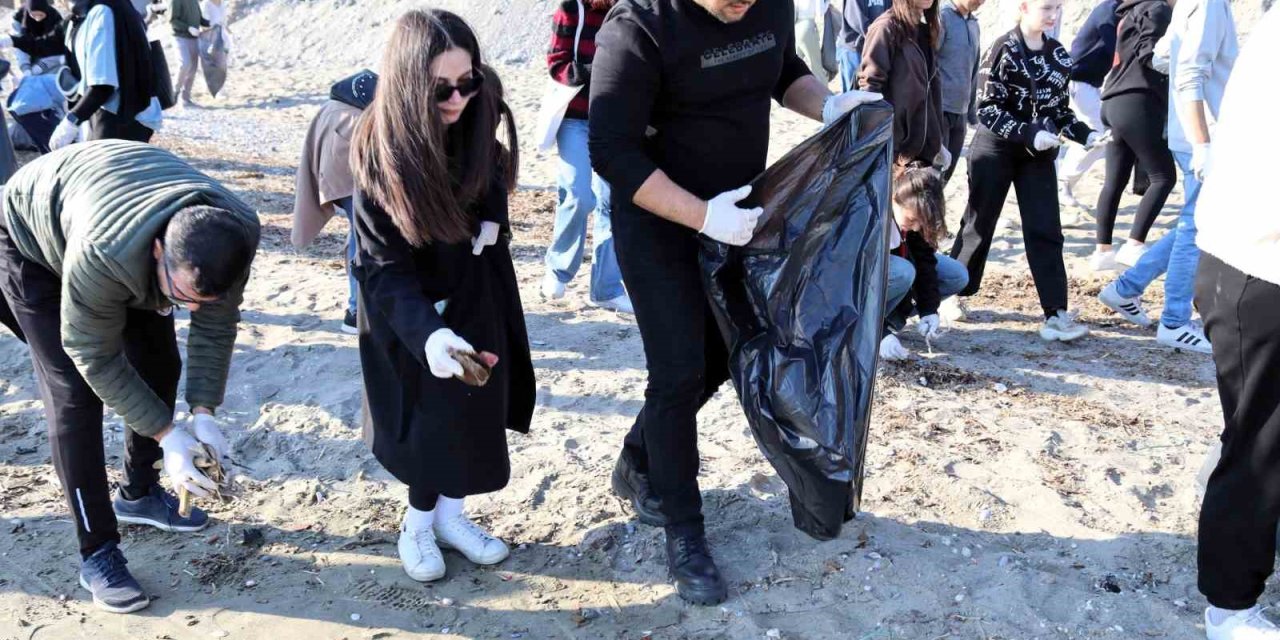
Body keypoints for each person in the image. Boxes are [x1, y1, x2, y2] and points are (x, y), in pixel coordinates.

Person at [590, 0, 881, 606]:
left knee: (727, 353)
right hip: (659, 223)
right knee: (676, 372)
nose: (743, 4)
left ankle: (640, 458)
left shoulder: (767, 3)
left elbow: (779, 68)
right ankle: (684, 530)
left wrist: (825, 103)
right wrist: (701, 216)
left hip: (744, 213)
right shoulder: (638, 28)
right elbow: (612, 152)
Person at [0, 140, 260, 614]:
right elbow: (92, 354)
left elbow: (216, 323)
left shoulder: (236, 230)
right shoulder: (107, 254)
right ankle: (97, 551)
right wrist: (167, 434)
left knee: (160, 362)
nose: (191, 309)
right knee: (75, 396)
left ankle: (139, 493)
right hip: (31, 240)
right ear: (159, 251)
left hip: (113, 209)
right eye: (182, 295)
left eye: (202, 299)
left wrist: (202, 414)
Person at [348, 10, 535, 584]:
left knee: (477, 407)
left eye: (468, 80)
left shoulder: (477, 99)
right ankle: (417, 525)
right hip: (413, 310)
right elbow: (380, 268)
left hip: (477, 281)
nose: (458, 98)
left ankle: (453, 518)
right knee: (431, 419)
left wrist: (492, 222)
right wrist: (429, 334)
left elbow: (493, 167)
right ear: (408, 86)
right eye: (441, 89)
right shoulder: (381, 155)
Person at [1192, 6, 1280, 638]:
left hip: (1244, 255)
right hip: (1258, 262)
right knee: (1257, 447)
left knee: (1254, 439)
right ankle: (1229, 608)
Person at [946, 0, 1101, 342]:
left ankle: (1056, 313)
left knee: (1046, 228)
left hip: (1039, 152)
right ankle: (951, 291)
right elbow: (986, 109)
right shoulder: (1002, 48)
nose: (1053, 15)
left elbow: (1061, 111)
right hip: (995, 148)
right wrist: (1031, 132)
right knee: (978, 224)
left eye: (1057, 8)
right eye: (1046, 7)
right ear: (1023, 7)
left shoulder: (1059, 55)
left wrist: (1085, 134)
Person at [1096, 0, 1237, 354]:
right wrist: (1203, 143)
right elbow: (1189, 72)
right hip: (1203, 133)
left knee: (1196, 221)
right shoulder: (1209, 3)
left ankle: (1127, 287)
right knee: (1197, 226)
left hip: (1190, 130)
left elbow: (1162, 57)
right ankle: (1174, 321)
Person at [540, 0, 631, 313]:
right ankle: (558, 269)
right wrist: (599, 72)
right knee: (579, 194)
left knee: (614, 201)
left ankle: (606, 289)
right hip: (574, 119)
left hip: (616, 119)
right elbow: (556, 63)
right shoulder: (572, 8)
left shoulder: (631, 9)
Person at [1090, 0, 1175, 270]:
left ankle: (1102, 251)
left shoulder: (1130, 10)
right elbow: (1148, 52)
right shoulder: (1158, 9)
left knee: (1113, 180)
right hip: (1137, 100)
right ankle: (1134, 245)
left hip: (1112, 99)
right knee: (1163, 178)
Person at [292, 69, 377, 334]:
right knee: (365, 234)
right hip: (349, 153)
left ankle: (357, 308)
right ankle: (356, 310)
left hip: (340, 144)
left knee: (360, 232)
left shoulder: (348, 98)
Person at [43, 0, 164, 148]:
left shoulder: (103, 12)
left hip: (121, 117)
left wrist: (71, 121)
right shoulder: (91, 11)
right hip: (109, 111)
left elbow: (103, 86)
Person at [880, 164, 969, 360]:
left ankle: (890, 318)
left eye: (921, 222)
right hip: (858, 286)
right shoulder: (873, 216)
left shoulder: (916, 216)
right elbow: (850, 282)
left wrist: (929, 310)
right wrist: (879, 335)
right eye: (912, 220)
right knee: (904, 272)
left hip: (899, 266)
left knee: (957, 275)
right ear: (895, 199)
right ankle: (872, 327)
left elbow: (924, 261)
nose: (916, 227)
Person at [859, 0, 947, 170]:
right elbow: (870, 89)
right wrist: (881, 147)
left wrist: (937, 139)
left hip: (924, 150)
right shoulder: (886, 28)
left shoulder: (925, 30)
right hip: (895, 153)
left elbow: (932, 89)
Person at [937, 0, 984, 184]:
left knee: (945, 178)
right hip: (939, 112)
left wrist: (972, 113)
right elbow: (926, 66)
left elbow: (973, 71)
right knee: (930, 177)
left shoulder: (974, 24)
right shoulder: (942, 18)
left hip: (961, 115)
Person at [837, 0, 889, 91]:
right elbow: (854, 18)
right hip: (854, 48)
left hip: (876, 47)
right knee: (851, 95)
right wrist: (876, 35)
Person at [170, 0, 208, 107]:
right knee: (184, 64)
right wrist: (188, 28)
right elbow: (172, 20)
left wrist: (211, 23)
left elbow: (200, 19)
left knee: (193, 69)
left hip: (193, 38)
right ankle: (174, 92)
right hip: (179, 37)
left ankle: (185, 98)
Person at [794, 0, 830, 80]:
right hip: (808, 25)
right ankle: (823, 91)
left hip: (796, 27)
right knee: (816, 67)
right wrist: (827, 3)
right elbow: (820, 12)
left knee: (794, 65)